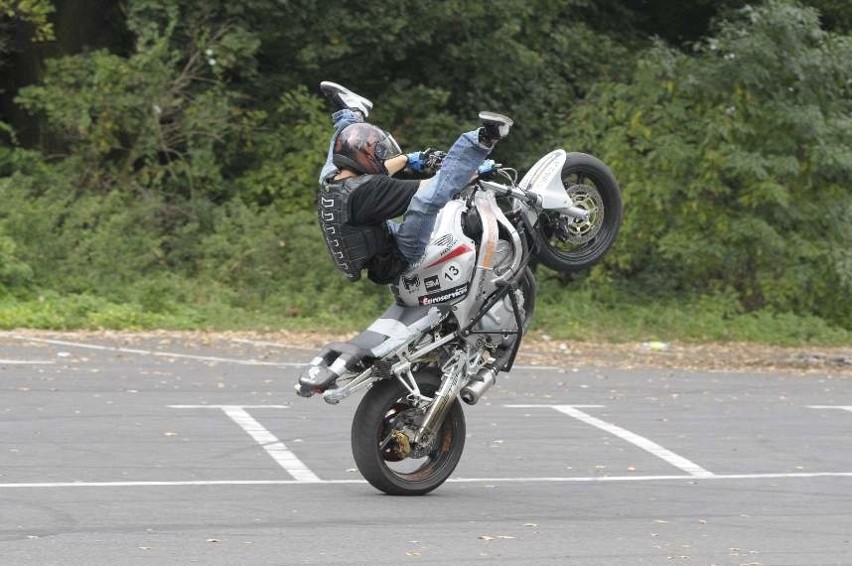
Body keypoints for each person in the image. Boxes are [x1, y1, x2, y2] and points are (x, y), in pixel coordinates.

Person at [316, 81, 512, 285]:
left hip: (363, 236)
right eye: (379, 155)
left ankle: (352, 112)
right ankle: (482, 140)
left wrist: (411, 159)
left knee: (331, 163)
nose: (382, 159)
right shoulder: (370, 191)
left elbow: (371, 167)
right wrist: (473, 171)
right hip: (394, 259)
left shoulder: (335, 178)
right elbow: (435, 186)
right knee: (425, 202)